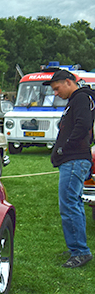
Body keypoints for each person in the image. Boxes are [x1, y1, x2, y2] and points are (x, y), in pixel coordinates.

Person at [44, 69, 95, 268]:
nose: (56, 93)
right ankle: (77, 247)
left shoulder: (81, 98)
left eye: (57, 89)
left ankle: (80, 252)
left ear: (68, 82)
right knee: (74, 203)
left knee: (69, 204)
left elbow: (83, 125)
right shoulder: (77, 100)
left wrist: (65, 148)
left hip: (74, 160)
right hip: (73, 159)